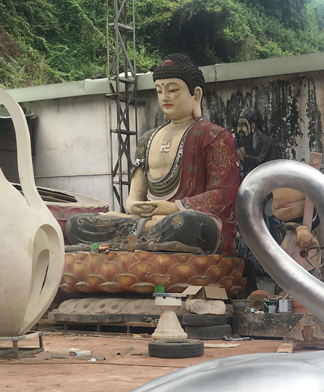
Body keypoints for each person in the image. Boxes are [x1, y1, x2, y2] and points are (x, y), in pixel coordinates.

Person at [66, 54, 240, 255]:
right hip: (150, 220)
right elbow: (135, 194)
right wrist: (133, 206)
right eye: (159, 91)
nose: (165, 97)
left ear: (196, 95)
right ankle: (145, 231)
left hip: (181, 220)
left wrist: (172, 208)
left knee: (191, 224)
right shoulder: (146, 139)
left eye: (173, 90)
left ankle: (141, 233)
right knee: (76, 224)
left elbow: (224, 194)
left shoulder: (215, 136)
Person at [235, 110, 276, 178]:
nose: (240, 129)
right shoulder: (239, 140)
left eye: (243, 125)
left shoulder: (266, 142)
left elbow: (261, 164)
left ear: (252, 127)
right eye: (238, 125)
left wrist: (244, 158)